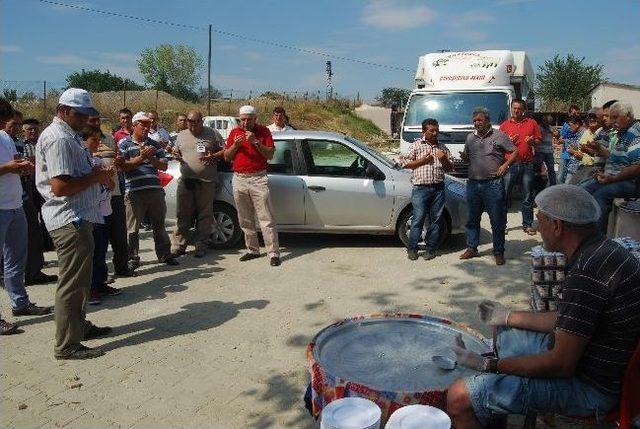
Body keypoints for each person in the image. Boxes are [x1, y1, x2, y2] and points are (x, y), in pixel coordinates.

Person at [446, 184, 640, 429]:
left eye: (540, 220)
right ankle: (496, 408)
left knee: (458, 397)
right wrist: (506, 317)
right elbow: (566, 318)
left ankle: (486, 401)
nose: (537, 229)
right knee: (503, 334)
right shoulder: (602, 250)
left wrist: (487, 365)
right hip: (593, 363)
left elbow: (561, 364)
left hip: (591, 389)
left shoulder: (588, 273)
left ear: (557, 226)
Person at [36, 88, 113, 358]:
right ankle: (67, 345)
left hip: (79, 217)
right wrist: (96, 177)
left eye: (87, 114)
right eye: (80, 114)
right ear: (63, 111)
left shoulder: (70, 136)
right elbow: (60, 187)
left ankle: (78, 327)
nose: (85, 120)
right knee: (72, 284)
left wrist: (95, 173)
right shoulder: (59, 139)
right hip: (70, 219)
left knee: (81, 281)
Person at [0, 98, 52, 335]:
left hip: (15, 204)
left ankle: (20, 303)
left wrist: (22, 167)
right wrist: (9, 168)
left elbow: (12, 165)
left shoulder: (6, 139)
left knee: (16, 259)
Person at [117, 111, 178, 269]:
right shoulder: (124, 144)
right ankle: (132, 258)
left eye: (148, 125)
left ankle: (165, 254)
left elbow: (164, 165)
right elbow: (122, 166)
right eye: (142, 125)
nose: (146, 127)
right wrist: (141, 158)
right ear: (134, 126)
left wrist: (150, 158)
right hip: (134, 191)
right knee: (133, 228)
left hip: (155, 190)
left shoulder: (154, 144)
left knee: (159, 225)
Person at [224, 105, 281, 266]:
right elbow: (227, 157)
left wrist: (255, 142)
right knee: (245, 218)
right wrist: (235, 145)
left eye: (249, 119)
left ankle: (273, 253)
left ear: (255, 119)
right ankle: (252, 250)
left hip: (258, 178)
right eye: (242, 119)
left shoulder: (263, 132)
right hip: (239, 178)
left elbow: (269, 154)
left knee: (266, 218)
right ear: (239, 119)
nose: (245, 123)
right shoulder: (235, 133)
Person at [460, 107, 517, 266]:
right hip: (473, 184)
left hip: (493, 184)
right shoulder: (470, 138)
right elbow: (467, 159)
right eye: (474, 120)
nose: (476, 123)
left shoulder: (499, 135)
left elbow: (514, 151)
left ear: (487, 120)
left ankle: (498, 252)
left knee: (497, 219)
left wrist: (505, 165)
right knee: (472, 218)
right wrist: (464, 157)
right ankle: (472, 248)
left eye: (479, 120)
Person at [171, 110, 225, 258]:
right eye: (190, 121)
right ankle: (179, 245)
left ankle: (201, 245)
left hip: (206, 181)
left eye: (196, 122)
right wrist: (176, 155)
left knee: (204, 215)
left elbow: (225, 152)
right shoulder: (181, 135)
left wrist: (214, 155)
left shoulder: (212, 133)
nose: (193, 125)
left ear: (201, 121)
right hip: (187, 180)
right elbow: (176, 152)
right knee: (183, 214)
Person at [400, 118, 453, 261]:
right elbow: (404, 163)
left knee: (436, 219)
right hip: (420, 189)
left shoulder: (442, 147)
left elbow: (450, 168)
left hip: (438, 188)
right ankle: (412, 249)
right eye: (432, 131)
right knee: (418, 218)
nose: (435, 133)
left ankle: (431, 249)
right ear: (424, 131)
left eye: (437, 130)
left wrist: (443, 159)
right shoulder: (416, 145)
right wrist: (422, 161)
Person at [582, 102, 640, 231]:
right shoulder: (622, 132)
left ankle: (598, 240)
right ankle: (582, 234)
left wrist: (613, 178)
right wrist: (598, 148)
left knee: (600, 196)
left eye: (615, 117)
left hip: (630, 182)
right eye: (611, 117)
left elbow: (636, 166)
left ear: (628, 116)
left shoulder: (635, 132)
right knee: (582, 192)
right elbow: (612, 157)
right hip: (614, 177)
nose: (612, 122)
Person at [87, 115, 132, 278]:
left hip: (114, 192)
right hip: (95, 198)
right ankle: (100, 277)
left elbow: (118, 158)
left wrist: (119, 160)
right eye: (92, 120)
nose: (96, 122)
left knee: (119, 233)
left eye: (98, 119)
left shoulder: (109, 139)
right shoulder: (82, 141)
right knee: (100, 238)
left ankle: (122, 267)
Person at [499, 99, 541, 236]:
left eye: (519, 108)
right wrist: (507, 141)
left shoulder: (532, 123)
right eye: (514, 108)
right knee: (504, 195)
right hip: (510, 165)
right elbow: (498, 146)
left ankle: (527, 225)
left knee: (528, 195)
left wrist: (532, 141)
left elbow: (539, 140)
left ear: (523, 109)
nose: (516, 111)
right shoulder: (504, 125)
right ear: (511, 109)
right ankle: (502, 225)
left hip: (527, 164)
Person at [557, 105, 581, 183]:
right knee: (560, 176)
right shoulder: (566, 125)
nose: (576, 115)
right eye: (574, 114)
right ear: (569, 114)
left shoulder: (581, 127)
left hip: (575, 157)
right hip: (565, 154)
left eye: (578, 114)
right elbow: (560, 139)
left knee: (570, 179)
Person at [533, 114, 556, 187]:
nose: (547, 123)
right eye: (546, 121)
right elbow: (538, 138)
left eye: (549, 121)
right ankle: (538, 186)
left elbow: (557, 135)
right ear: (543, 121)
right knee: (538, 170)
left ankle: (553, 186)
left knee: (551, 170)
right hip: (540, 151)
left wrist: (556, 133)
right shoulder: (538, 128)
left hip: (549, 151)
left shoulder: (551, 128)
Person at [561, 116, 585, 184]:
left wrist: (572, 151)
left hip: (578, 168)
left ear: (577, 124)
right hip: (573, 167)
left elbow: (584, 153)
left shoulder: (584, 134)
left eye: (570, 125)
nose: (568, 127)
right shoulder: (577, 134)